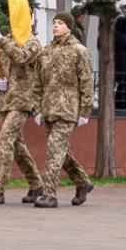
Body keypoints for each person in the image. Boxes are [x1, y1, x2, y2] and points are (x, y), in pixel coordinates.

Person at [33, 12, 95, 208]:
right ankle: (82, 182)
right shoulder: (44, 52)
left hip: (69, 109)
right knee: (62, 151)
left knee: (54, 150)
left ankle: (50, 194)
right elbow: (37, 83)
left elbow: (86, 82)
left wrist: (85, 110)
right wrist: (38, 108)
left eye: (60, 23)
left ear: (69, 27)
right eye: (54, 23)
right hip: (50, 108)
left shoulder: (79, 51)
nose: (56, 26)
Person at [0, 22, 43, 204]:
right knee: (16, 145)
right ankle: (36, 183)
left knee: (5, 138)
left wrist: (0, 39)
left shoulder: (32, 42)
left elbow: (21, 58)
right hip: (4, 101)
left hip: (22, 100)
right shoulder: (0, 41)